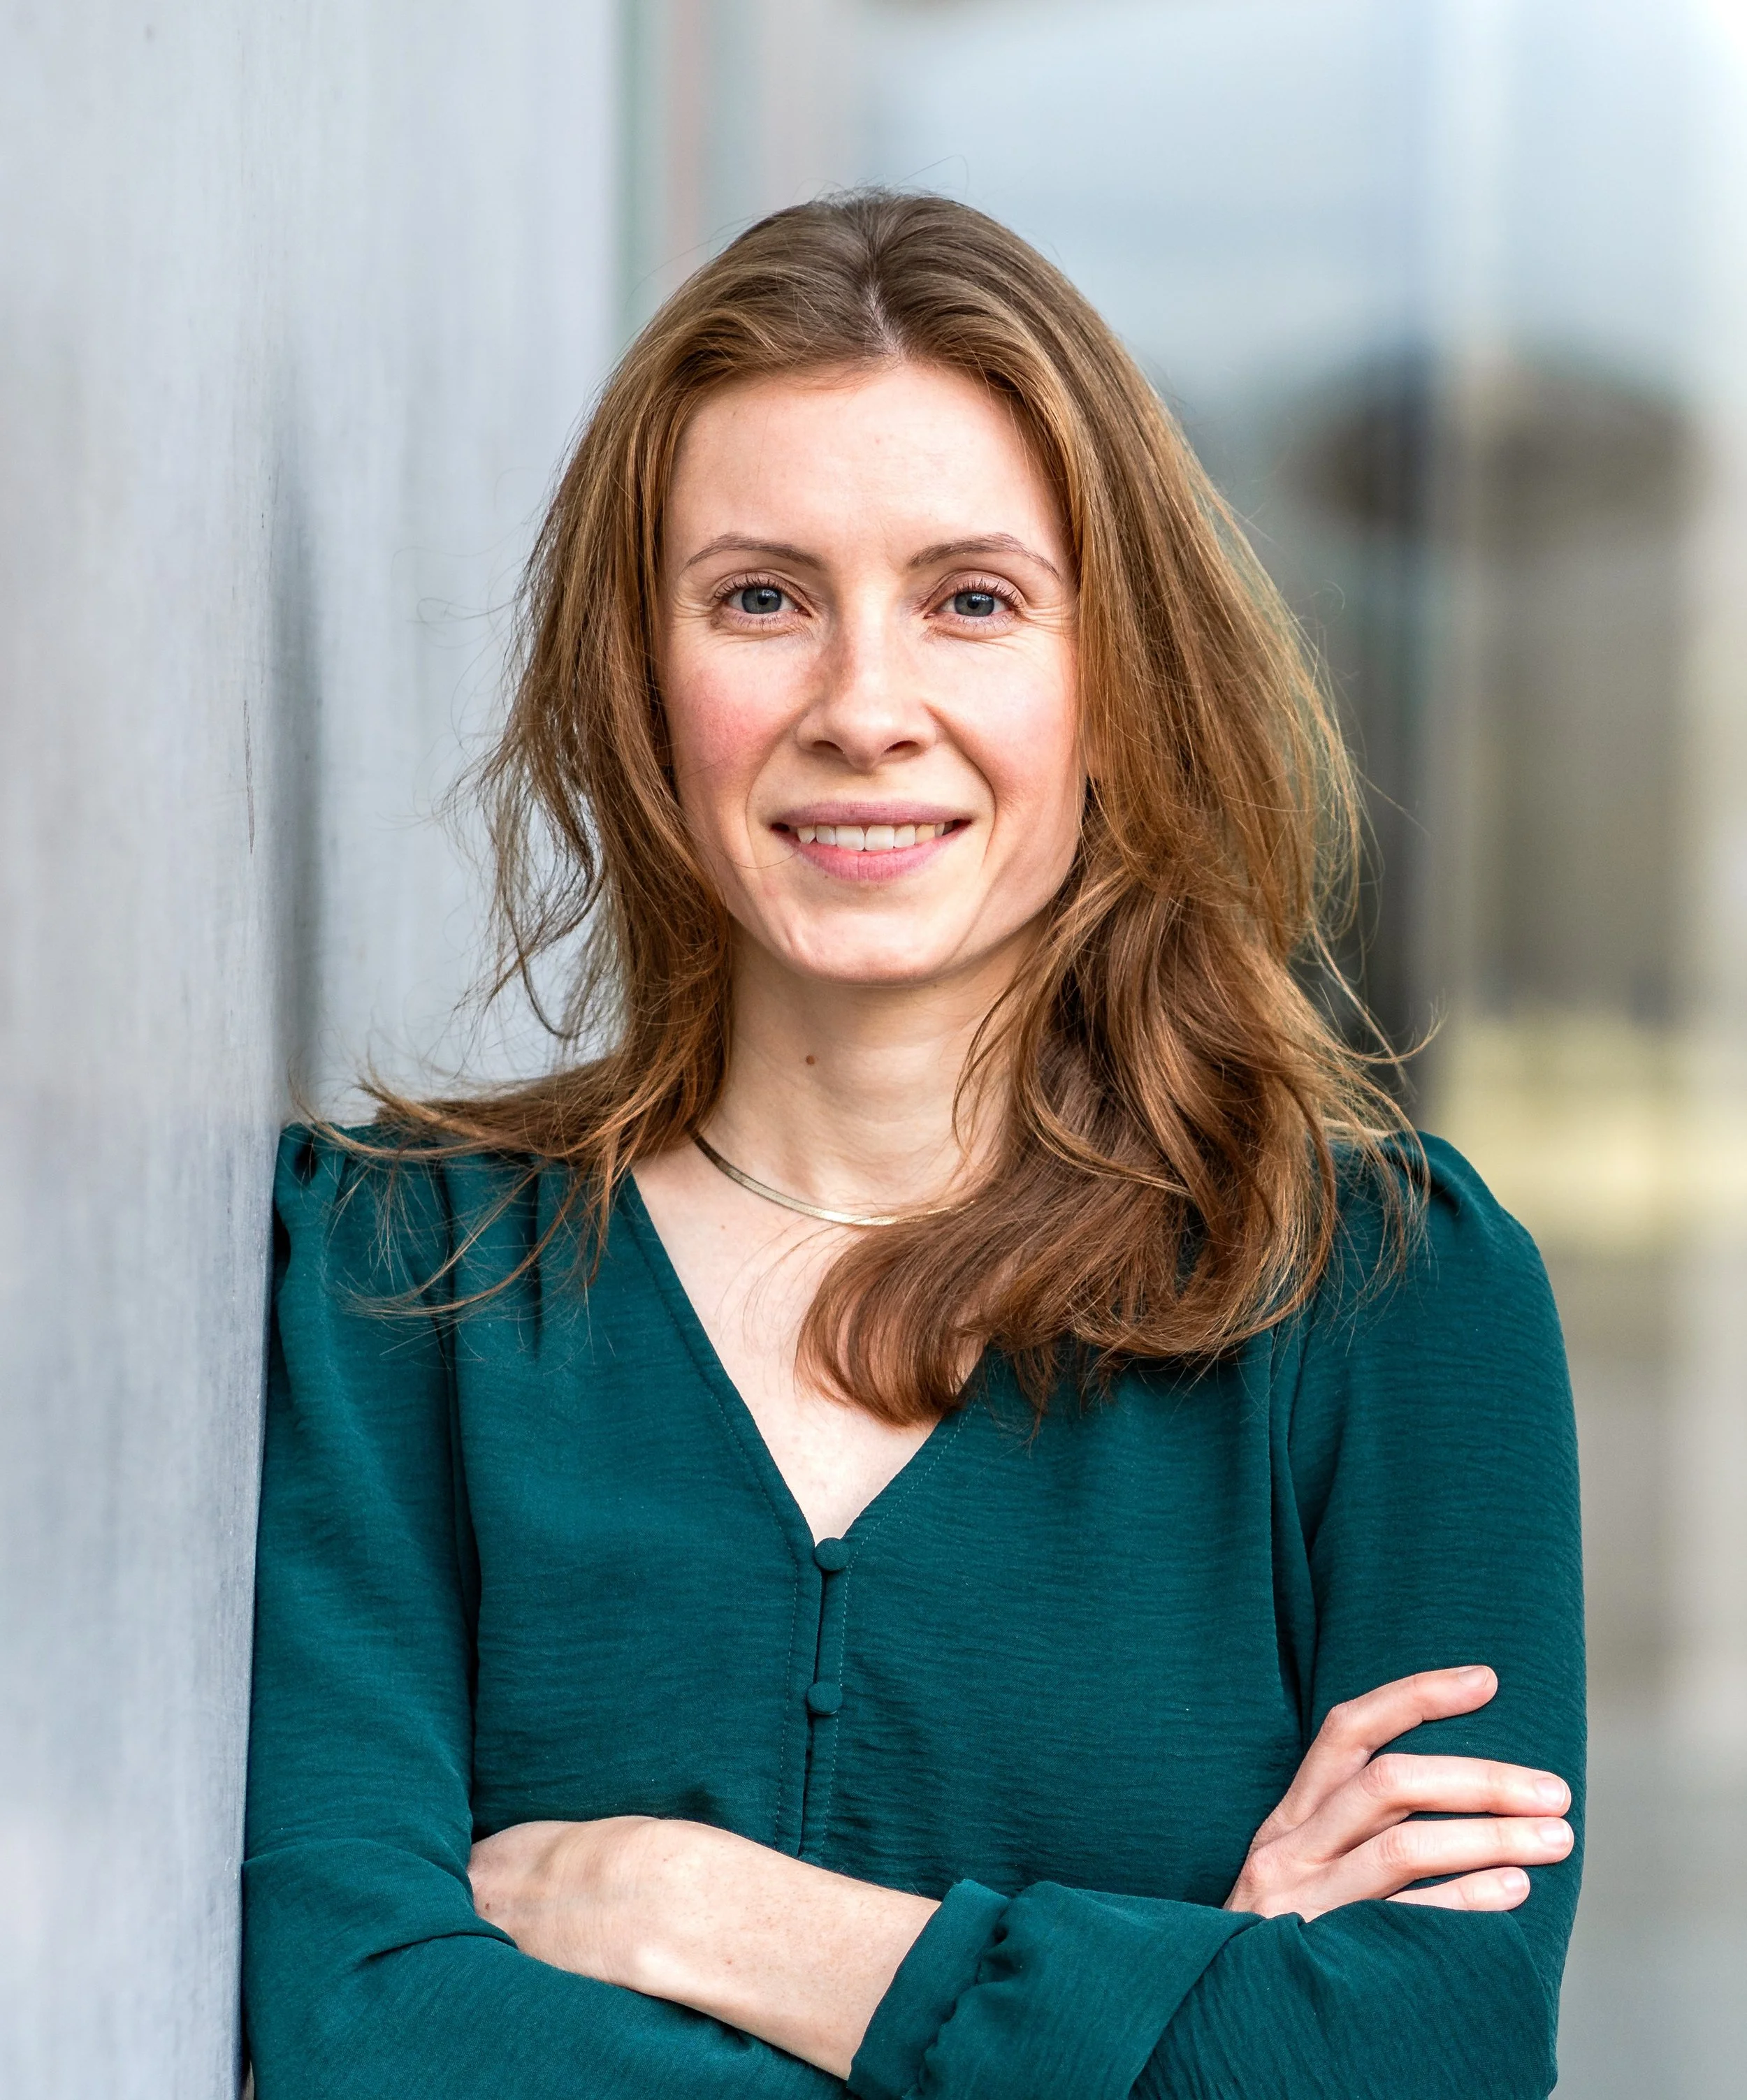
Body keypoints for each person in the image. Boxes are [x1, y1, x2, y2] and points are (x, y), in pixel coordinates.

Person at [242, 191, 1583, 2100]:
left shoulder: (1383, 1301)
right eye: (761, 597)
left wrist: (713, 1915)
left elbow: (1426, 2054)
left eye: (971, 598)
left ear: (1111, 676)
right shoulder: (403, 1282)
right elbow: (358, 2021)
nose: (863, 710)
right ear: (642, 675)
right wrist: (1172, 2009)